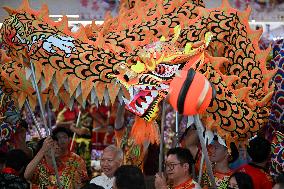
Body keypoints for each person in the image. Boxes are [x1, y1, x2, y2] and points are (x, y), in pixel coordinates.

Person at [24, 127, 89, 188]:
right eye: (53, 145)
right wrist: (43, 150)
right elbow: (27, 176)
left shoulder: (70, 167)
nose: (57, 147)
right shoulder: (39, 167)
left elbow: (83, 183)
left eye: (57, 145)